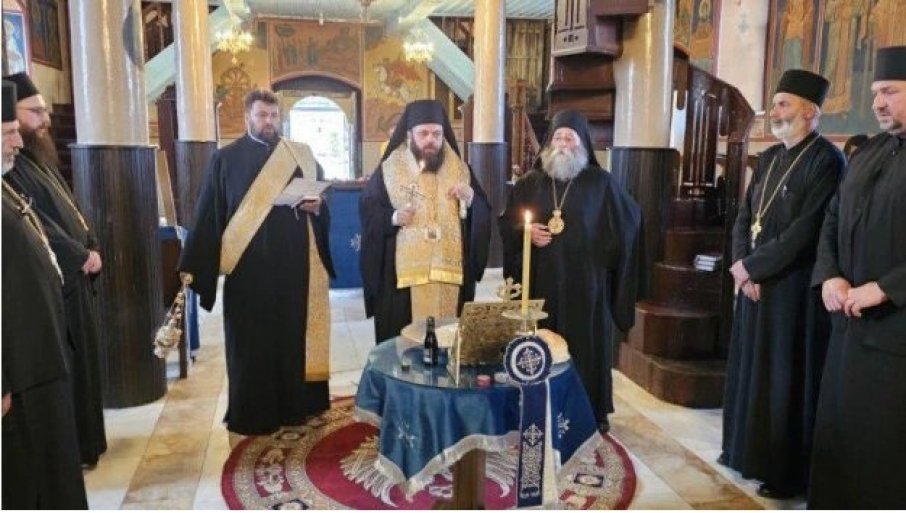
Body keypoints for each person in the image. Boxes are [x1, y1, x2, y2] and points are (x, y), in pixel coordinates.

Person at [178, 89, 335, 436]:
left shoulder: (300, 154)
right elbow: (209, 213)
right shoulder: (225, 159)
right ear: (247, 116)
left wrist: (318, 205)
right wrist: (195, 263)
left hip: (294, 267)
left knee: (291, 337)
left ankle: (295, 406)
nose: (269, 122)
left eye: (274, 116)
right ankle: (253, 413)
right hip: (248, 271)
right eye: (262, 115)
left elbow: (324, 195)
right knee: (252, 343)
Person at [719, 69, 845, 499]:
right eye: (774, 104)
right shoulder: (770, 157)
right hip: (754, 284)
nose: (774, 112)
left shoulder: (827, 161)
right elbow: (745, 216)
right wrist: (741, 265)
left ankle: (781, 471)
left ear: (809, 111)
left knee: (781, 379)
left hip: (791, 290)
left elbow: (806, 231)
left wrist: (754, 268)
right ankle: (742, 452)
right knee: (750, 371)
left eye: (783, 104)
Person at [499, 110, 643, 432]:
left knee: (586, 349)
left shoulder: (601, 183)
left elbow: (631, 221)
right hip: (541, 283)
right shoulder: (530, 183)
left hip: (587, 285)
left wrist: (606, 246)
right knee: (541, 343)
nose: (563, 144)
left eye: (570, 138)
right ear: (549, 143)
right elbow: (507, 223)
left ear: (583, 144)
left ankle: (590, 412)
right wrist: (525, 233)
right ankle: (537, 407)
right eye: (558, 137)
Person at [808, 45, 906, 509]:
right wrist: (830, 275)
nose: (877, 103)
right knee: (842, 439)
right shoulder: (870, 152)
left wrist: (885, 288)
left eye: (890, 92)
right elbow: (832, 216)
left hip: (896, 336)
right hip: (849, 330)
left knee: (883, 452)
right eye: (874, 93)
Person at [3, 71, 107, 466]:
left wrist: (90, 241)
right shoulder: (12, 167)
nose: (44, 120)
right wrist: (78, 254)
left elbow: (69, 208)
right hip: (54, 291)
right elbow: (37, 226)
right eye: (34, 112)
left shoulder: (37, 157)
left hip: (72, 281)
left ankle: (88, 443)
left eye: (45, 111)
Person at [359, 99, 491, 342]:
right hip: (402, 281)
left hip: (450, 276)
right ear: (410, 135)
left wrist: (471, 199)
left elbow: (483, 211)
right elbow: (369, 211)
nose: (431, 140)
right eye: (424, 133)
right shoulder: (389, 169)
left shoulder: (461, 170)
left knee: (448, 342)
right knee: (403, 347)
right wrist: (394, 217)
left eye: (437, 134)